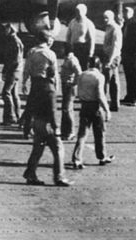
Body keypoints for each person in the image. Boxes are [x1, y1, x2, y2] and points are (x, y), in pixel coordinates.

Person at [23, 53, 70, 188]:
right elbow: (52, 111)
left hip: (37, 122)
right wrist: (56, 127)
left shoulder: (37, 86)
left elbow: (29, 106)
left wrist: (27, 123)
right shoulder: (51, 91)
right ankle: (59, 177)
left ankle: (30, 173)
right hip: (47, 124)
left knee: (37, 149)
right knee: (58, 149)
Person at [69, 63, 113, 169]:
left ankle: (76, 158)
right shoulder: (99, 76)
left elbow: (75, 88)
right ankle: (101, 157)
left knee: (82, 134)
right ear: (100, 66)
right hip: (95, 107)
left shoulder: (82, 75)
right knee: (99, 133)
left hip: (84, 105)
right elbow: (100, 94)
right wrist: (107, 109)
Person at [21, 29, 59, 140]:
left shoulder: (32, 51)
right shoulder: (51, 54)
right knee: (51, 107)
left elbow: (27, 68)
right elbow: (54, 71)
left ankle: (27, 131)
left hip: (35, 82)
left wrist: (24, 82)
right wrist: (56, 86)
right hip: (47, 82)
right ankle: (55, 129)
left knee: (30, 107)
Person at [0, 21, 25, 126]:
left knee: (6, 93)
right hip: (16, 70)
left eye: (6, 28)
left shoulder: (14, 41)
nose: (4, 31)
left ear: (11, 29)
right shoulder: (13, 40)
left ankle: (10, 117)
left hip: (14, 71)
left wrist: (7, 70)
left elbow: (15, 60)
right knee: (13, 93)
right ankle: (18, 116)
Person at [97, 10, 122, 111]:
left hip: (112, 57)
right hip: (108, 55)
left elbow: (115, 46)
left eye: (106, 18)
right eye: (104, 17)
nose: (105, 20)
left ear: (112, 17)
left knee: (107, 80)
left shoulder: (115, 28)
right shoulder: (109, 27)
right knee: (112, 80)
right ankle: (113, 103)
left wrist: (110, 61)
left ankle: (106, 103)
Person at [66, 3, 97, 69]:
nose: (77, 13)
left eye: (78, 12)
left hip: (83, 49)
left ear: (84, 12)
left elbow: (92, 39)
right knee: (73, 67)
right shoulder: (72, 22)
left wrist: (91, 52)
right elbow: (68, 35)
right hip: (74, 48)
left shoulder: (88, 23)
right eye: (76, 11)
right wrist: (68, 47)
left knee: (83, 68)